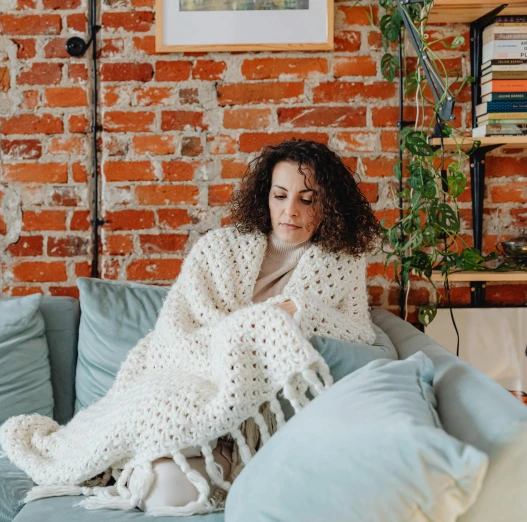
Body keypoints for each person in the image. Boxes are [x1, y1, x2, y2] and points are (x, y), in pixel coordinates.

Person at [128, 138, 382, 512]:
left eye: (307, 199)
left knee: (190, 491)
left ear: (328, 204)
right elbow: (176, 329)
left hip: (263, 421)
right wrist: (252, 327)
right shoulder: (218, 247)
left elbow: (361, 332)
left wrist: (301, 307)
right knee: (162, 492)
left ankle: (244, 476)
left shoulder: (342, 263)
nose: (290, 210)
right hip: (198, 387)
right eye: (280, 196)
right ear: (266, 196)